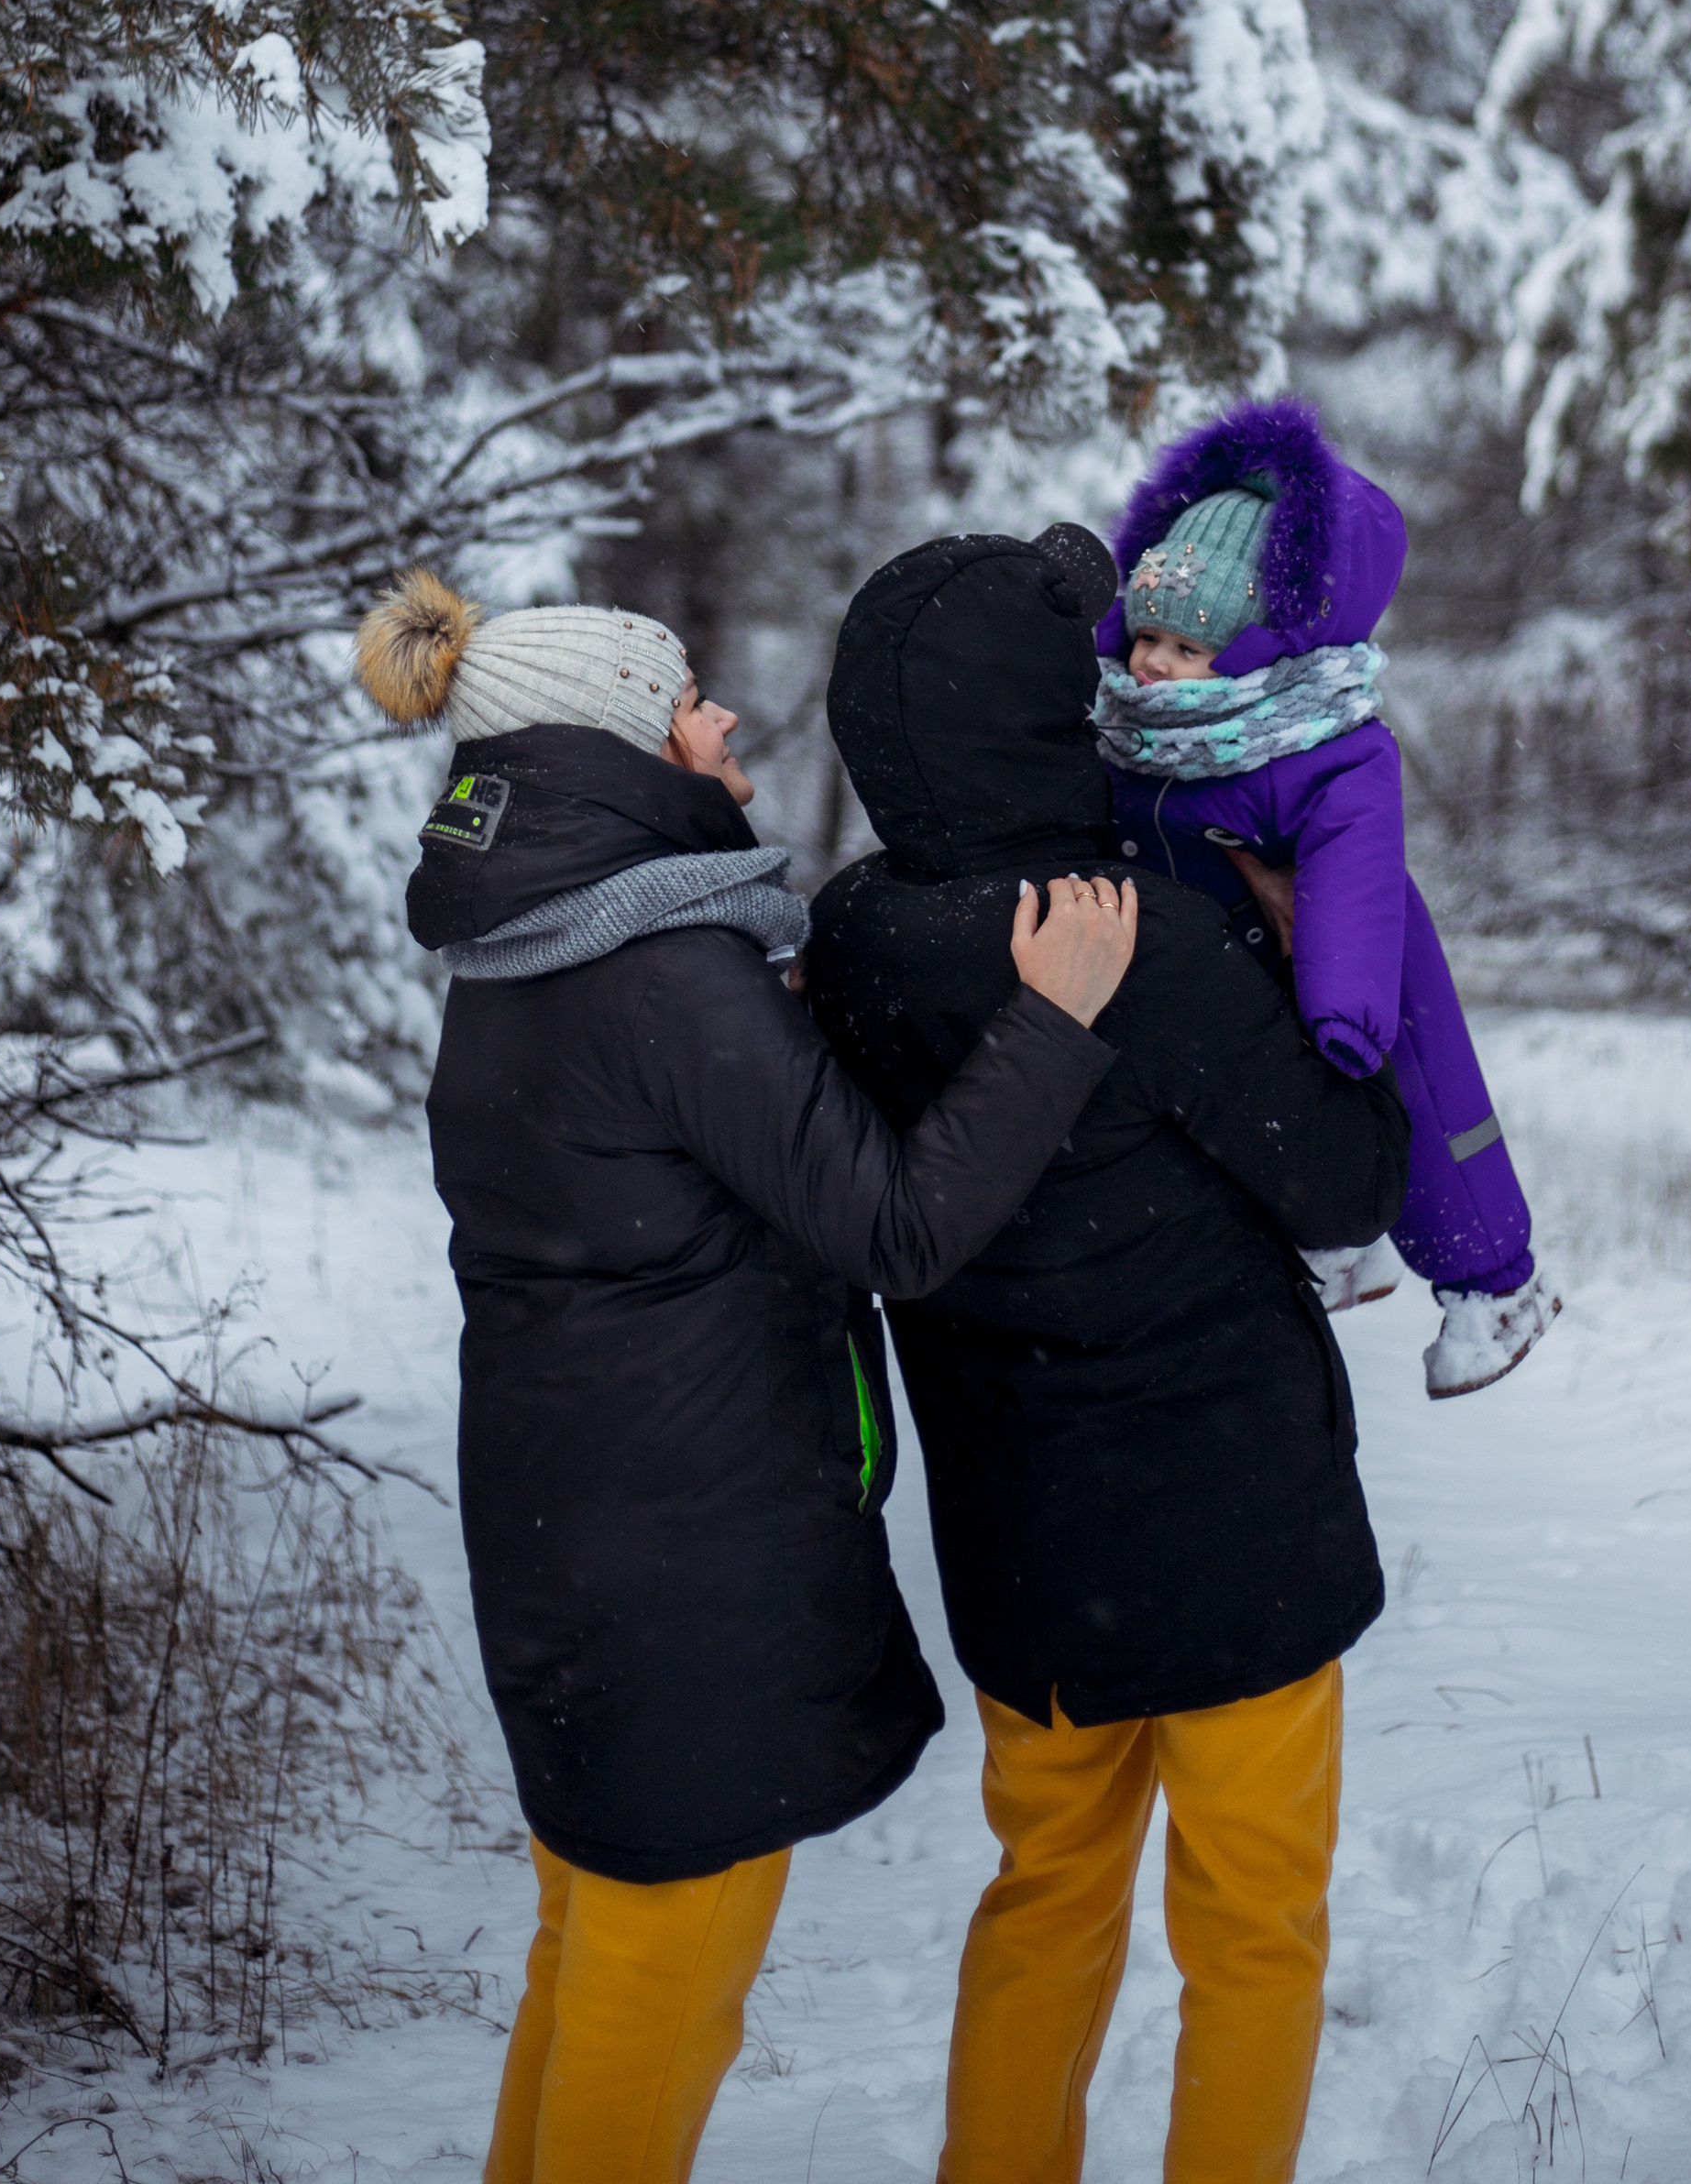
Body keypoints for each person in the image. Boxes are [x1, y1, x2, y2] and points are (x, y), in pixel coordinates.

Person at [357, 563, 1136, 2184]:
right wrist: (1052, 1019)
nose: (718, 715)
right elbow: (901, 1227)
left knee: (589, 1973)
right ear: (618, 752)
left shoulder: (528, 954)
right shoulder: (662, 977)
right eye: (682, 696)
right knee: (659, 2012)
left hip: (584, 1546)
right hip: (681, 1578)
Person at [807, 523, 1411, 2184]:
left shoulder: (849, 942)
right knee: (1255, 1929)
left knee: (1046, 1910)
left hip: (1026, 1549)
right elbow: (1353, 1177)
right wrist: (1303, 952)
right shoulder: (1144, 939)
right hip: (1238, 1541)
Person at [1094, 395, 1560, 1398]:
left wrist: (1344, 1002)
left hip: (1352, 966)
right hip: (1238, 968)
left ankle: (1496, 1286)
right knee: (1285, 1127)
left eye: (1185, 647)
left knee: (1425, 1114)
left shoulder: (1325, 743)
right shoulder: (1130, 728)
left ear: (1260, 646)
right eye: (1145, 634)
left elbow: (1353, 866)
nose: (1151, 663)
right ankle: (1349, 1249)